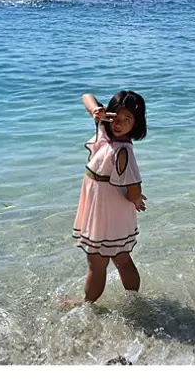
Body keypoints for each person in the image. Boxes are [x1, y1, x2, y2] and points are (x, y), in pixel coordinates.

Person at [73, 90, 147, 304]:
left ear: (136, 124)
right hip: (103, 203)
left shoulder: (123, 150)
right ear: (109, 114)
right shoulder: (104, 129)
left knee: (97, 261)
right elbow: (86, 96)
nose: (120, 124)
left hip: (109, 208)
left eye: (128, 120)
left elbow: (134, 185)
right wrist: (96, 111)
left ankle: (87, 305)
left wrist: (136, 198)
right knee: (120, 257)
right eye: (117, 117)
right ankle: (134, 300)